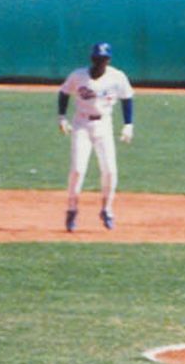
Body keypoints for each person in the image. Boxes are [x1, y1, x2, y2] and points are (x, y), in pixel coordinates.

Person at [56, 40, 134, 231]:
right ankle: (72, 209)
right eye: (98, 58)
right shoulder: (79, 75)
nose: (101, 62)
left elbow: (127, 98)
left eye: (104, 58)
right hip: (81, 124)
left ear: (108, 59)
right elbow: (64, 92)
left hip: (104, 125)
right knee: (78, 170)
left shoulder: (117, 76)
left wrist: (128, 124)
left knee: (110, 170)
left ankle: (107, 209)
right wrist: (62, 117)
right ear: (92, 58)